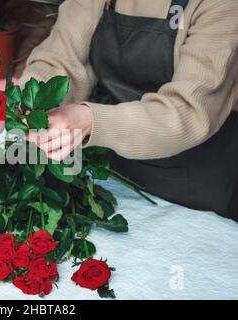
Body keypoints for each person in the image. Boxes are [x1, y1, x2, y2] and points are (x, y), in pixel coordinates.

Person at [20, 0, 238, 220]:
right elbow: (61, 60)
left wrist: (91, 120)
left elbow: (188, 112)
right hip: (111, 172)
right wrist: (25, 101)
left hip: (193, 184)